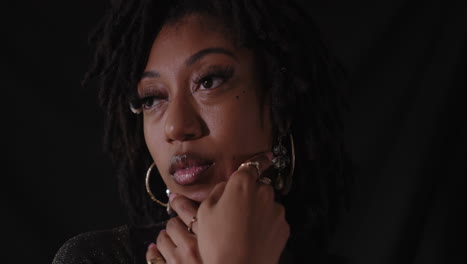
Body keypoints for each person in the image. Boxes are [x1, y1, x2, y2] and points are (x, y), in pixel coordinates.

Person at [53, 0, 348, 263]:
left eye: (208, 82)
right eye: (152, 99)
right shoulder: (95, 258)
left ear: (278, 99)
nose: (175, 126)